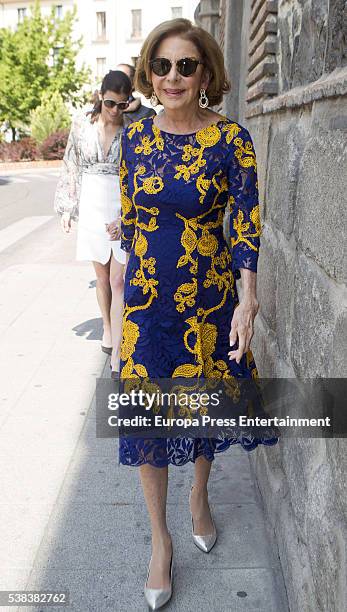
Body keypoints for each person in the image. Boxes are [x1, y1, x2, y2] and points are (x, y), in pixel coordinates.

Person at [118, 18, 279, 610]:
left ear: (205, 72)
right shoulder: (133, 138)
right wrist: (115, 311)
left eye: (186, 65)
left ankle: (200, 498)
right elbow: (132, 222)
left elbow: (246, 223)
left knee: (202, 403)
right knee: (148, 420)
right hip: (146, 307)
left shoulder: (231, 140)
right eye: (161, 66)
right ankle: (160, 540)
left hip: (209, 302)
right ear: (149, 73)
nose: (172, 77)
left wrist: (250, 295)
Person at [54, 70, 132, 376]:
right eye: (111, 103)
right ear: (100, 96)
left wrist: (127, 215)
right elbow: (70, 164)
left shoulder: (133, 128)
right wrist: (66, 207)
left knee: (119, 280)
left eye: (122, 105)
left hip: (119, 202)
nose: (115, 110)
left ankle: (119, 348)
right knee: (102, 279)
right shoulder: (80, 125)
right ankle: (109, 328)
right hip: (91, 204)